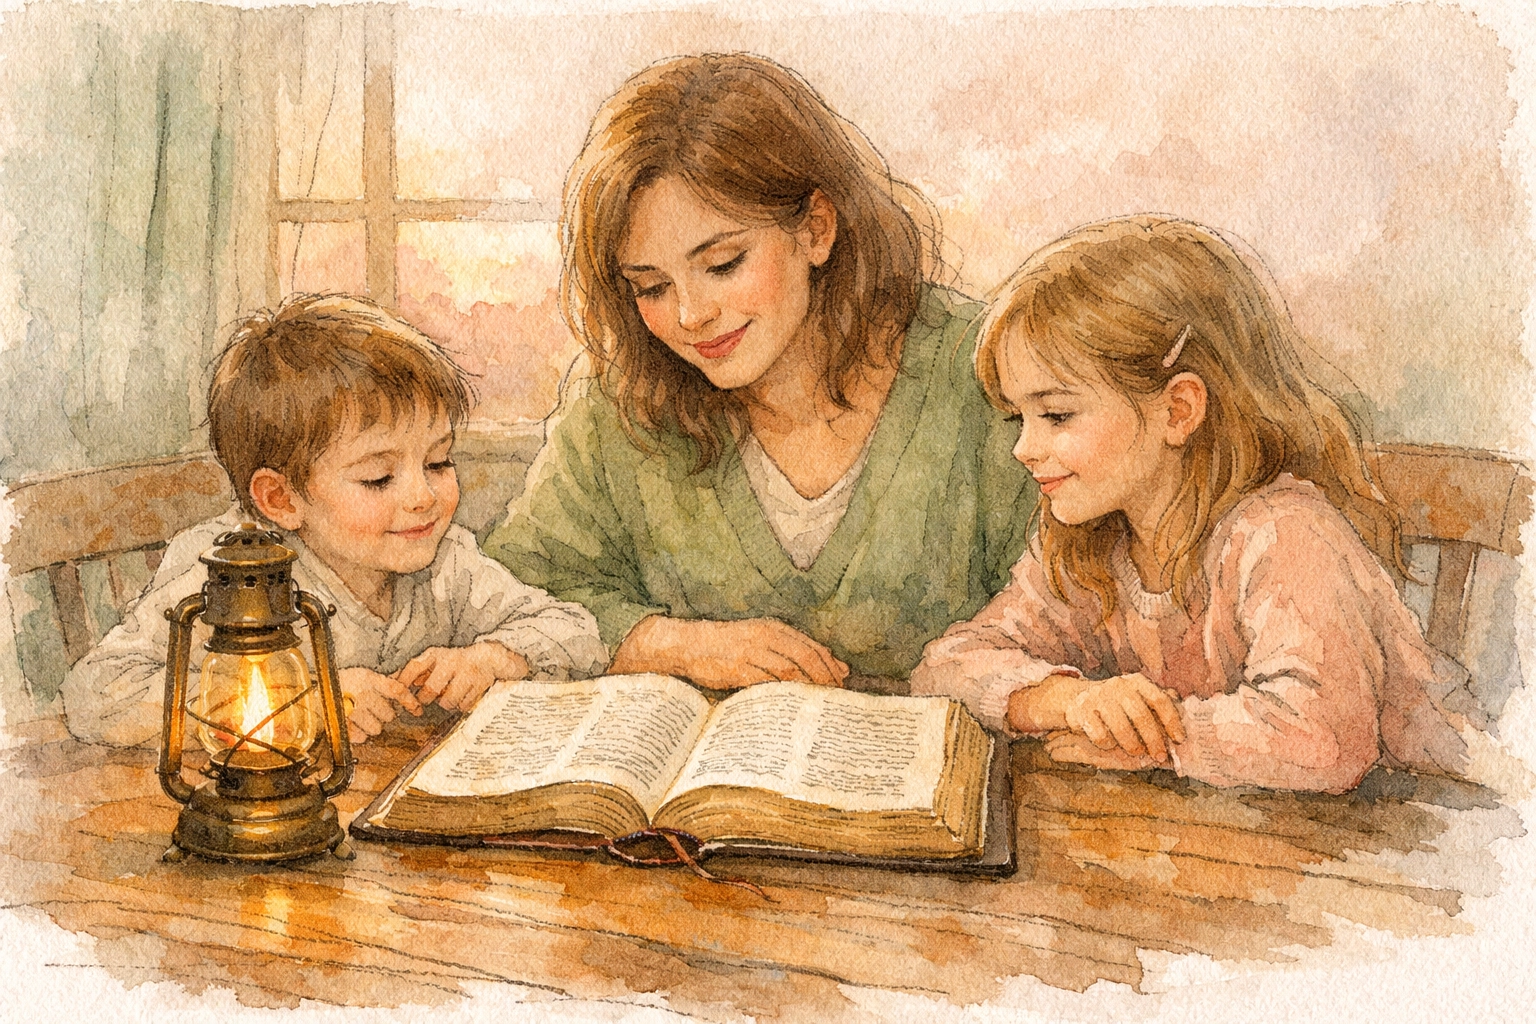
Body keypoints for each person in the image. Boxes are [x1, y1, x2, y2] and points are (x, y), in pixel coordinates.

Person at [483, 53, 1038, 690]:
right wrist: (669, 643)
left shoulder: (985, 368)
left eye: (722, 263)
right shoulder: (619, 395)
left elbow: (1079, 609)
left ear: (817, 229)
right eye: (652, 286)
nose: (691, 316)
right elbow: (515, 592)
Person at [910, 215, 1479, 793]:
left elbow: (1324, 738)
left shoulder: (1283, 533)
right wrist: (1064, 698)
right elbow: (945, 666)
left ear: (1178, 410)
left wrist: (1154, 735)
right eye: (1018, 417)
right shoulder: (1091, 546)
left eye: (1057, 415)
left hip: (1439, 823)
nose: (1024, 449)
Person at [61, 294, 607, 747]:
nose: (423, 497)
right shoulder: (229, 572)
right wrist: (302, 700)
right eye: (377, 479)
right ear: (281, 500)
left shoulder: (445, 565)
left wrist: (493, 657)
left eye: (438, 462)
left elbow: (580, 634)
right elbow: (96, 695)